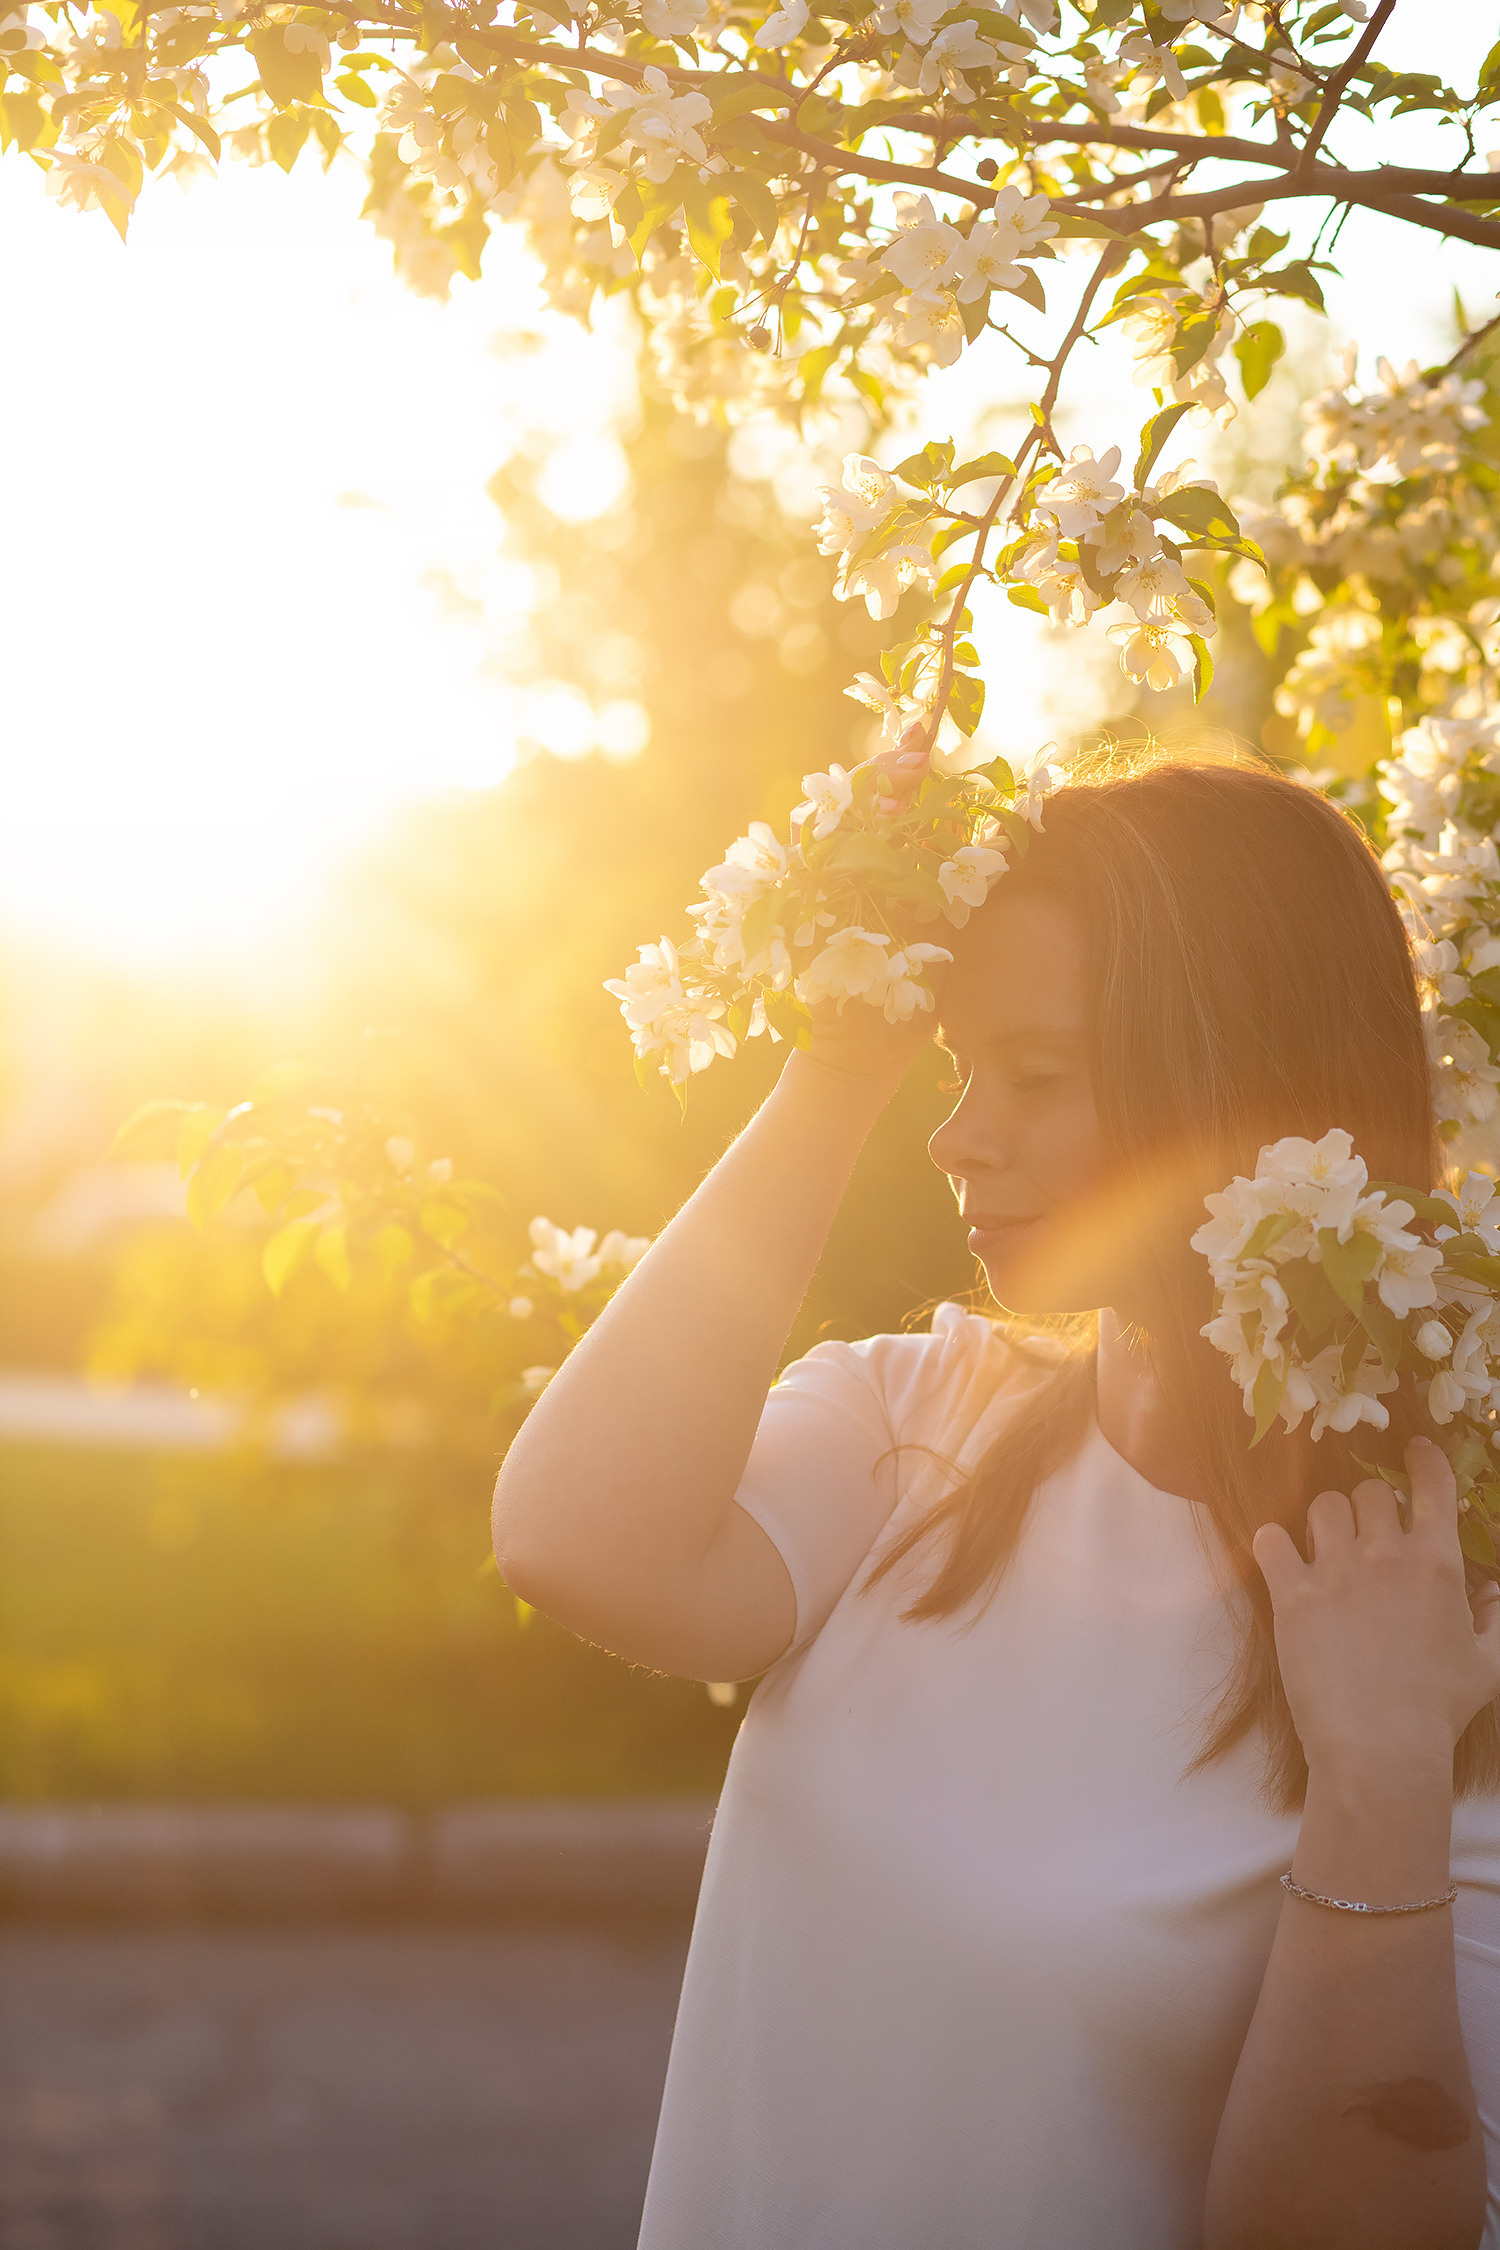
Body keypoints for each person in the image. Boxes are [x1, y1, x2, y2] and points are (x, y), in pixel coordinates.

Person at [493, 743, 1500, 2250]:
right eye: (958, 1064)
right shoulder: (919, 1422)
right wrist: (841, 1056)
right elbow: (573, 1540)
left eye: (1037, 1074)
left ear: (1237, 1091)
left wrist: (1380, 1783)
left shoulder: (1439, 1631)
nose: (956, 1133)